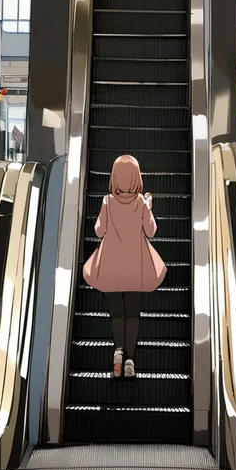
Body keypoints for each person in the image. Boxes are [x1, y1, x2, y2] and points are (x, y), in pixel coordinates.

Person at [83, 155, 166, 379]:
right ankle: (130, 359)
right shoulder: (140, 202)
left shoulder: (107, 202)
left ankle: (117, 351)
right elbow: (151, 231)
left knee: (117, 315)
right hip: (135, 267)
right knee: (133, 314)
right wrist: (148, 207)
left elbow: (99, 231)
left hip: (110, 267)